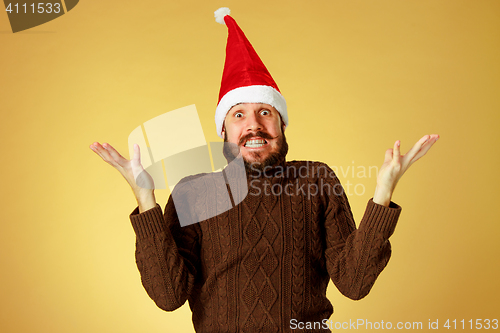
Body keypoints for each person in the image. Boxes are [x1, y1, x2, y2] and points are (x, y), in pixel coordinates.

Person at [90, 8, 439, 333]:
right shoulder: (192, 193)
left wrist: (383, 193)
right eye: (238, 114)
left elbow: (355, 282)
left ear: (282, 125)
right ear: (224, 131)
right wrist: (145, 197)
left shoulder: (315, 180)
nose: (253, 126)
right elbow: (168, 296)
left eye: (265, 112)